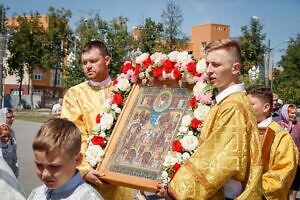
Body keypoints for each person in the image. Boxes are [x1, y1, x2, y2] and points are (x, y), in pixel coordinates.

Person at [157, 39, 262, 199]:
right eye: (207, 64)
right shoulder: (228, 101)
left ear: (235, 68)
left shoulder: (233, 106)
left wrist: (177, 191)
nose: (208, 71)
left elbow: (219, 160)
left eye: (216, 65)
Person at [61, 40, 132, 199]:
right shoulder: (75, 94)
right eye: (84, 62)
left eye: (93, 61)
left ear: (106, 60)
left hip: (122, 179)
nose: (88, 66)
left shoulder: (126, 90)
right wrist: (84, 170)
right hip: (88, 179)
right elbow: (72, 136)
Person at [28, 118, 103, 200]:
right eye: (39, 165)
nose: (45, 174)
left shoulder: (88, 197)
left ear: (77, 160)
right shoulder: (37, 194)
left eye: (54, 166)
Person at [246, 85, 298, 199]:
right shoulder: (242, 130)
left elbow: (284, 172)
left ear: (266, 107)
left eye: (251, 104)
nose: (245, 108)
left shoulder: (281, 137)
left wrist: (250, 189)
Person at [278, 104, 300, 200]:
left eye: (295, 113)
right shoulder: (278, 125)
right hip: (281, 161)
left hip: (296, 161)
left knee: (293, 187)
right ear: (285, 113)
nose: (294, 115)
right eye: (291, 113)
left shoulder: (298, 126)